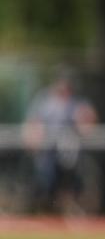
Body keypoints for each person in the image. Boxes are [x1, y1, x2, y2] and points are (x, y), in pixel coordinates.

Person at [22, 68, 98, 213]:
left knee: (74, 179)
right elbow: (32, 123)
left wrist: (84, 123)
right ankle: (45, 207)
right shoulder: (44, 100)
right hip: (47, 151)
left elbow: (89, 121)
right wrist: (33, 137)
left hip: (69, 152)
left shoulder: (77, 102)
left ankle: (68, 206)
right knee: (45, 179)